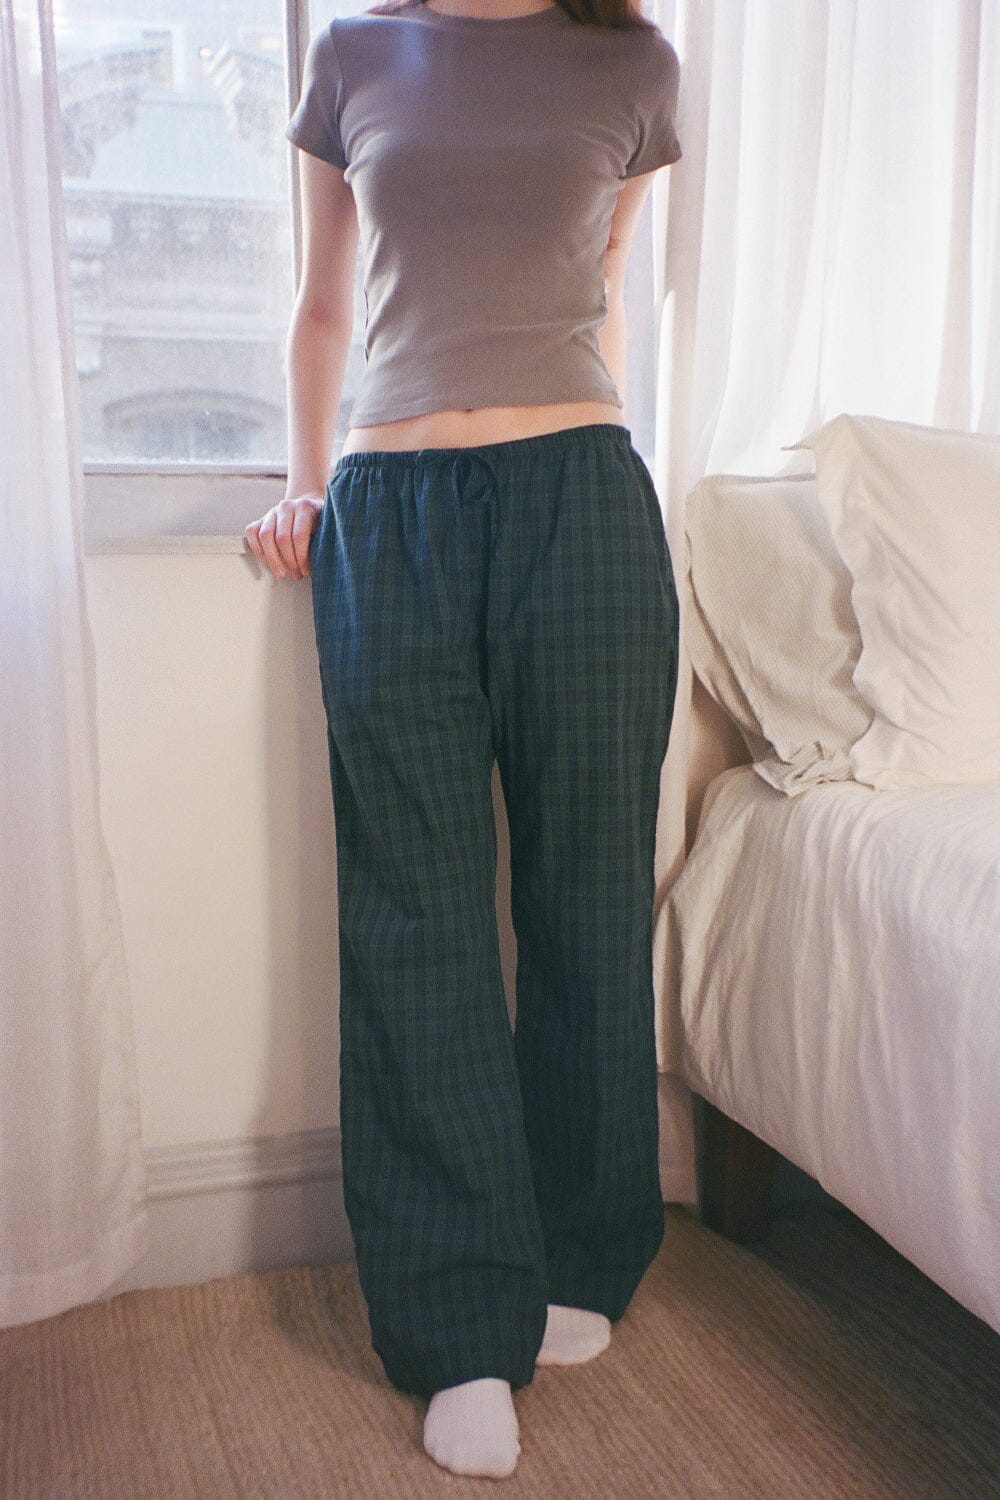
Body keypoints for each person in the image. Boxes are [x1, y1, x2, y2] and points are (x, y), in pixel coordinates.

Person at [245, 0, 682, 1479]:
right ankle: (453, 1327)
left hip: (583, 501)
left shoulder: (633, 64)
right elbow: (325, 305)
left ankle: (580, 1249)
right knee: (413, 914)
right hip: (391, 511)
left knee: (588, 895)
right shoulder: (355, 56)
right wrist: (307, 483)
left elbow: (600, 288)